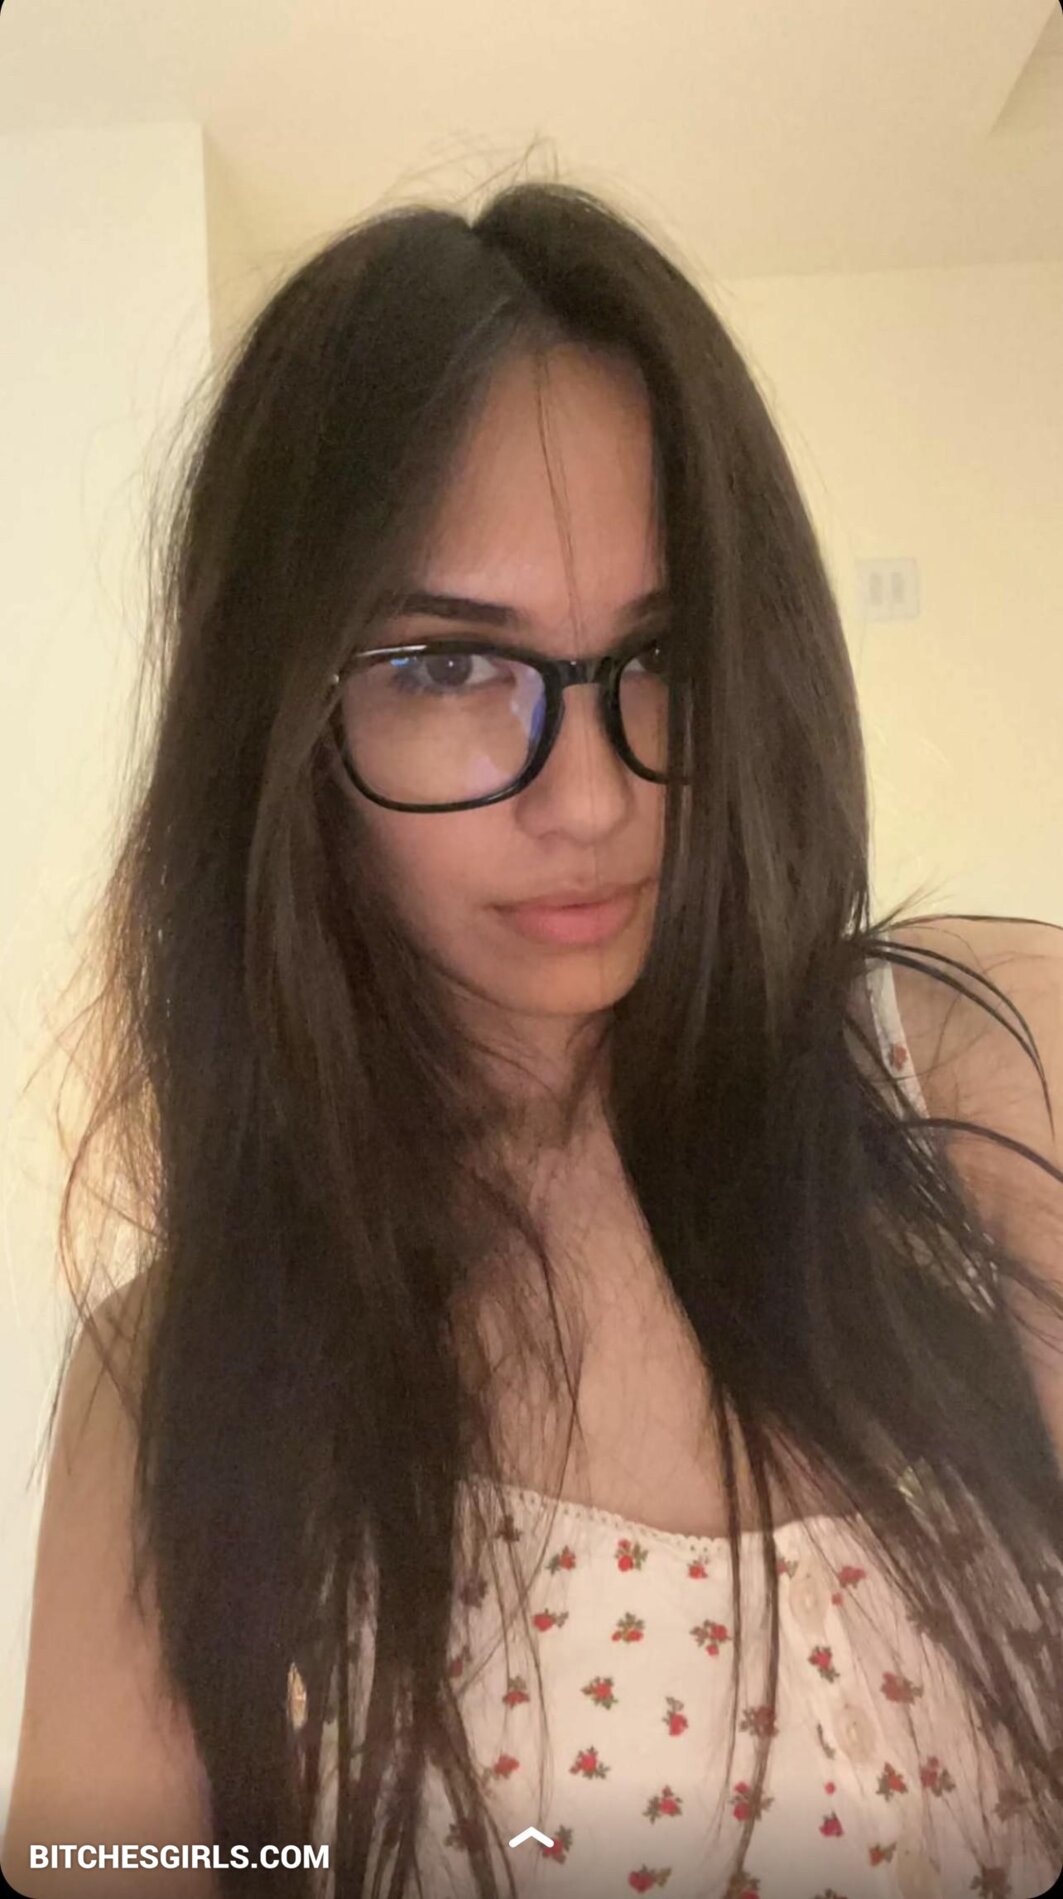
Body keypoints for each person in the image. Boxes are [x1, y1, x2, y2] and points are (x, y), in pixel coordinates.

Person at [4, 180, 1063, 1899]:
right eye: (446, 667)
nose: (589, 798)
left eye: (662, 656)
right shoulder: (186, 1383)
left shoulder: (971, 1089)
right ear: (281, 729)